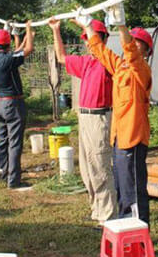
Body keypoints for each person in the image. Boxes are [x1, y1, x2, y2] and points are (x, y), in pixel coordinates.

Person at [74, 2, 153, 225]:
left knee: (133, 191)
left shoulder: (142, 71)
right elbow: (99, 50)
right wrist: (88, 26)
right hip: (119, 138)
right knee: (121, 188)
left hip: (134, 139)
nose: (133, 48)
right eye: (132, 43)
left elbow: (132, 55)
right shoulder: (119, 68)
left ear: (146, 52)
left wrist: (121, 26)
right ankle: (126, 229)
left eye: (139, 46)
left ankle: (138, 231)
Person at [49, 17, 116, 226]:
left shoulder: (108, 61)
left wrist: (86, 26)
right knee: (87, 168)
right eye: (86, 39)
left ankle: (108, 216)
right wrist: (56, 30)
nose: (87, 43)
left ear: (102, 39)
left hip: (99, 118)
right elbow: (61, 57)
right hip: (85, 117)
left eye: (90, 38)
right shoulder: (86, 62)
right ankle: (97, 210)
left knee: (100, 167)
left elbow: (102, 53)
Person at [0, 21, 34, 189]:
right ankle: (13, 181)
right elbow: (27, 50)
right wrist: (29, 29)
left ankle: (0, 175)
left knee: (2, 141)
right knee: (14, 143)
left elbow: (15, 53)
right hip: (12, 104)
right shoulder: (8, 59)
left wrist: (16, 35)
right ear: (6, 45)